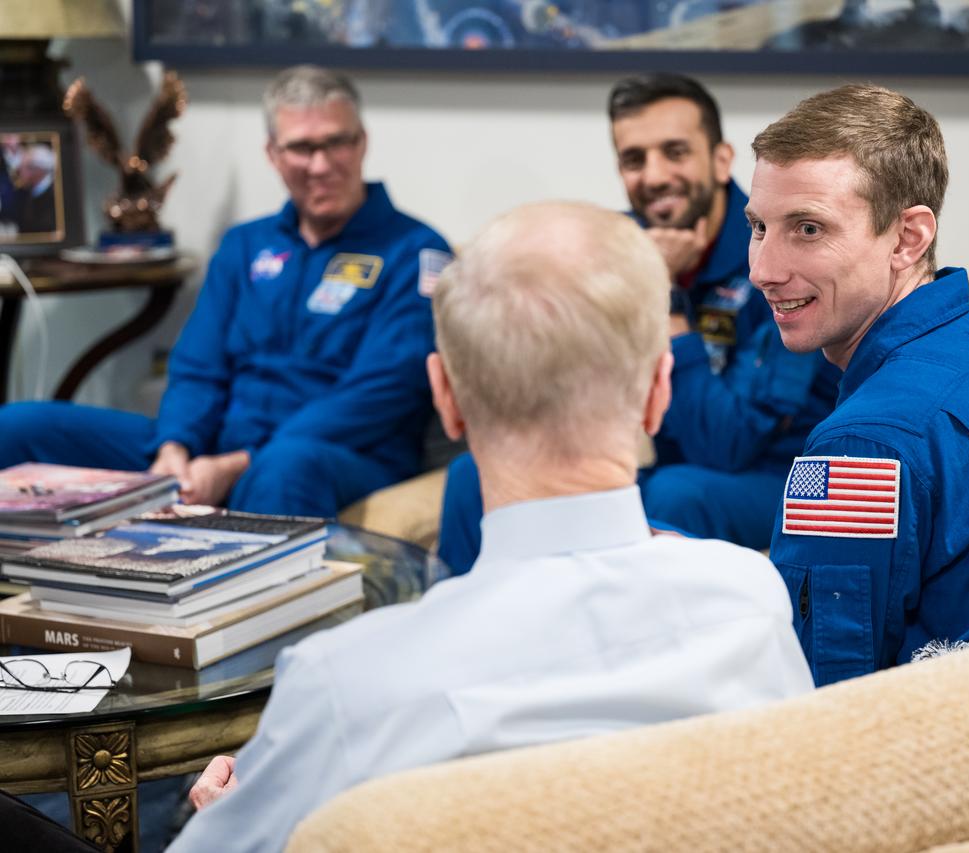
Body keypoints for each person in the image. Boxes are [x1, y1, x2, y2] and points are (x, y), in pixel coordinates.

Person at [166, 201, 814, 852]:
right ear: (659, 391)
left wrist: (225, 815)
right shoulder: (750, 602)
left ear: (445, 398)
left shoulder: (343, 683)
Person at [746, 84, 969, 687]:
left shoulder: (860, 446)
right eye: (760, 226)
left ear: (908, 238)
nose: (763, 269)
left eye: (807, 229)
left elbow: (818, 693)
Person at [0, 66, 452, 518]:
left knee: (284, 467)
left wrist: (239, 464)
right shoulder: (245, 246)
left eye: (336, 142)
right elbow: (198, 366)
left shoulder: (417, 252)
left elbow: (384, 391)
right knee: (18, 427)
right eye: (301, 147)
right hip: (215, 444)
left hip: (338, 455)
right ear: (273, 154)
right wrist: (175, 447)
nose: (321, 164)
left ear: (362, 143)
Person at [436, 73, 838, 573]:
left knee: (676, 492)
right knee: (471, 476)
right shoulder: (612, 244)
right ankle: (460, 629)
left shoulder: (775, 248)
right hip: (656, 462)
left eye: (675, 152)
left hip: (784, 472)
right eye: (634, 160)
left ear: (719, 160)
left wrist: (661, 289)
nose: (654, 175)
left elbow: (728, 443)